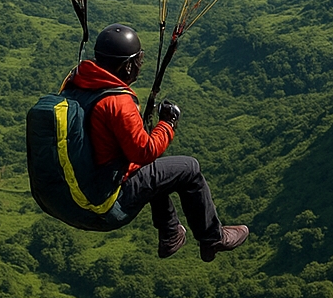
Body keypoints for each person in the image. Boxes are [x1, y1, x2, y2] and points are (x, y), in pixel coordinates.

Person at [63, 22, 249, 260]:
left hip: (85, 185)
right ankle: (212, 238)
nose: (140, 66)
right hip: (109, 197)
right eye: (138, 60)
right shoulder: (117, 102)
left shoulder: (79, 82)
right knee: (189, 168)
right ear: (127, 65)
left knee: (160, 171)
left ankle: (170, 232)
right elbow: (144, 152)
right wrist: (168, 123)